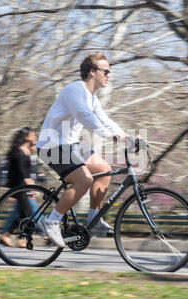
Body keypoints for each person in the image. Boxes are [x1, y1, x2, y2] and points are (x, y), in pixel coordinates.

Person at [36, 51, 128, 248]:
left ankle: (93, 219)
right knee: (84, 180)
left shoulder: (93, 99)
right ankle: (52, 221)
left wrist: (125, 135)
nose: (109, 75)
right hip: (51, 144)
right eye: (106, 71)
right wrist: (109, 136)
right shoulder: (74, 90)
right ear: (93, 72)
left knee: (104, 169)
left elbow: (104, 119)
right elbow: (85, 116)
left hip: (70, 144)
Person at [0, 127, 38, 248]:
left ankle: (9, 234)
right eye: (33, 135)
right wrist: (31, 187)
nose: (34, 136)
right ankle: (19, 238)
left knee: (23, 213)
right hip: (18, 187)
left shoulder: (27, 150)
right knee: (26, 213)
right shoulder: (18, 152)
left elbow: (28, 171)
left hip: (24, 186)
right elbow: (23, 172)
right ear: (26, 137)